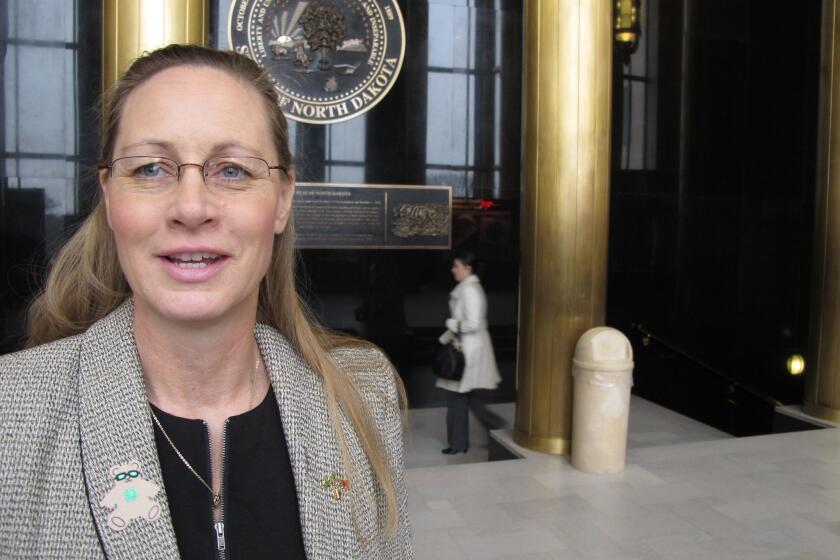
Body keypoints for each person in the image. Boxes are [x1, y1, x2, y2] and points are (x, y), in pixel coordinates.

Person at [0, 44, 412, 559]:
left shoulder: (361, 395)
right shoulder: (10, 415)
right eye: (151, 168)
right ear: (109, 196)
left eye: (233, 170)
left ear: (282, 199)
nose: (191, 207)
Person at [437, 252, 505, 454]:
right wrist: (445, 337)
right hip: (467, 348)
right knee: (468, 398)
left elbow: (473, 324)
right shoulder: (469, 289)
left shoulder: (469, 291)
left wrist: (450, 324)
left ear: (468, 269)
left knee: (457, 398)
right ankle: (497, 429)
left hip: (467, 352)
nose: (453, 269)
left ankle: (458, 444)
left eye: (456, 266)